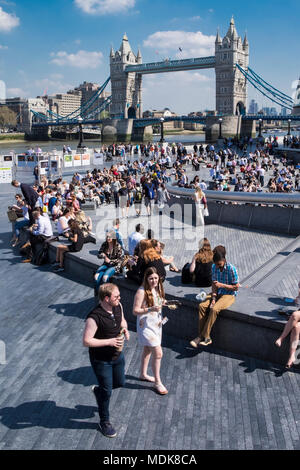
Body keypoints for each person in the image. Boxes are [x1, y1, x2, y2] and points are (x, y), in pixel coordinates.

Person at [83, 283, 130, 438]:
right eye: (116, 296)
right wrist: (109, 342)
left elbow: (122, 321)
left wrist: (125, 330)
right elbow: (87, 341)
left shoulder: (118, 306)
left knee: (120, 382)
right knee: (107, 391)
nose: (119, 298)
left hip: (117, 356)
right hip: (101, 360)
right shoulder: (94, 317)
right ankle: (104, 422)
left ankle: (98, 391)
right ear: (106, 298)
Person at [190, 247, 239, 348]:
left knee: (215, 309)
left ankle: (202, 336)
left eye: (219, 265)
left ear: (224, 260)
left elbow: (236, 288)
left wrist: (222, 285)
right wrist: (213, 298)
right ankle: (205, 337)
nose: (218, 267)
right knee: (202, 306)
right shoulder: (214, 267)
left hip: (229, 294)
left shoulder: (232, 269)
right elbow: (214, 284)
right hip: (217, 292)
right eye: (216, 265)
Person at [133, 267, 168, 395]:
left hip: (156, 324)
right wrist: (150, 309)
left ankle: (143, 374)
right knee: (158, 353)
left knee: (147, 350)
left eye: (156, 278)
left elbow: (158, 302)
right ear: (146, 279)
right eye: (151, 278)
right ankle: (157, 382)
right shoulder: (141, 292)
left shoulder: (156, 289)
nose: (154, 281)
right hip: (146, 327)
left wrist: (165, 303)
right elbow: (135, 311)